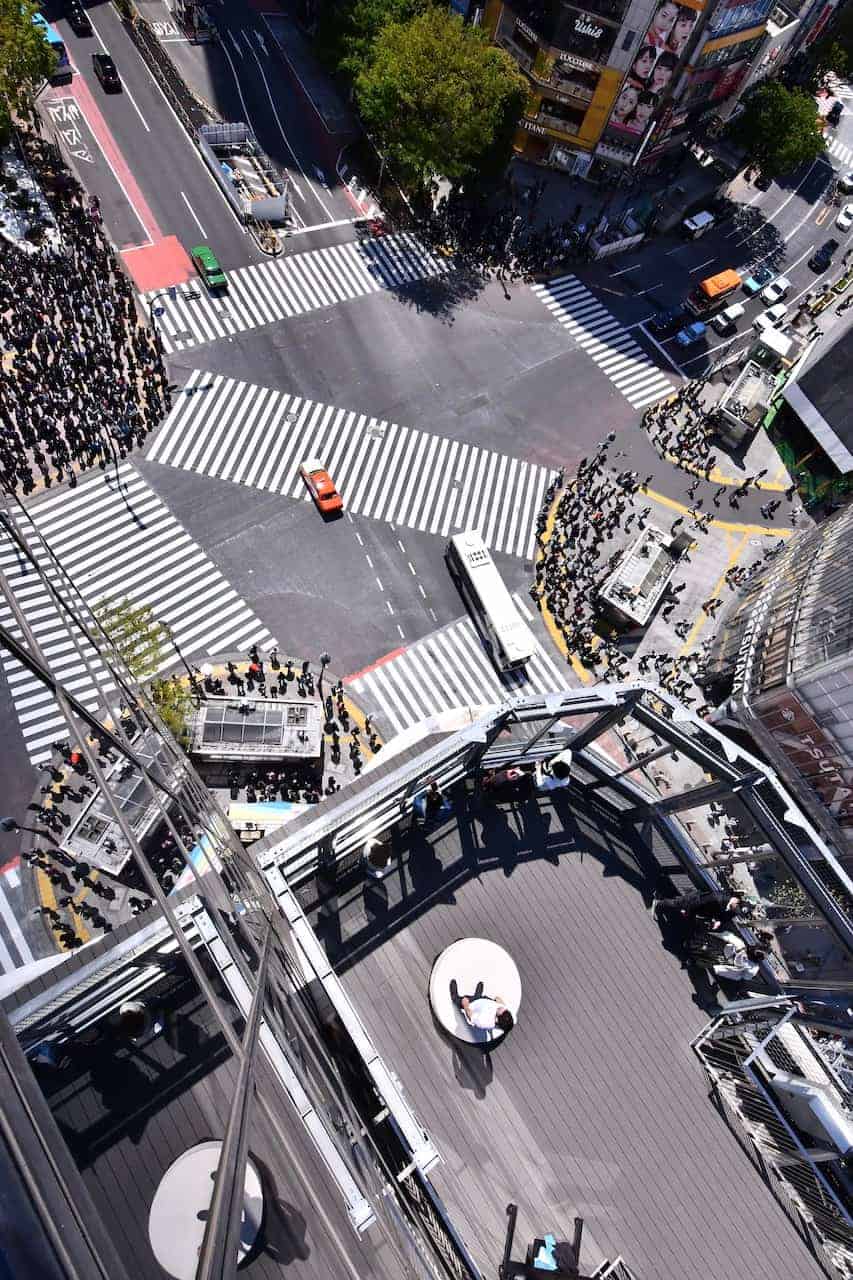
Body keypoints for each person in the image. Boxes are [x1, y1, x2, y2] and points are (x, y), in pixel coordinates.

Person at [450, 981, 514, 1033]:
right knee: (481, 997)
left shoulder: (484, 1022)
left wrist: (466, 1005)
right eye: (505, 1010)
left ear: (497, 1019)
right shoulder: (506, 1013)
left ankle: (455, 998)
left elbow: (471, 1017)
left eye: (502, 1010)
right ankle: (478, 995)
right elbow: (499, 1000)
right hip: (485, 1001)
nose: (503, 1007)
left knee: (460, 1000)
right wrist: (499, 1002)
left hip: (472, 1003)